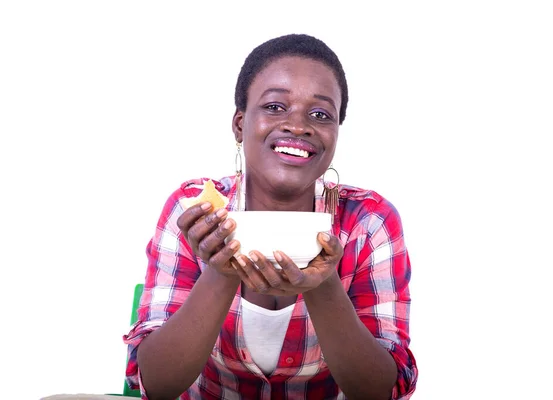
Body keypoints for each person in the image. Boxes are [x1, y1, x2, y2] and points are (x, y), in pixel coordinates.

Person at [123, 33, 418, 400]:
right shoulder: (195, 210)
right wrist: (219, 272)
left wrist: (323, 287)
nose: (298, 125)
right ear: (240, 124)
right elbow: (157, 384)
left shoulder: (370, 223)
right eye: (276, 107)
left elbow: (381, 392)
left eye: (320, 114)